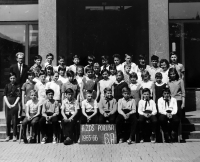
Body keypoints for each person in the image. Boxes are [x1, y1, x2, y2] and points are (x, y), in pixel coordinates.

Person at [3, 72, 20, 142]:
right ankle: (8, 135)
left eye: (14, 78)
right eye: (11, 78)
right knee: (8, 120)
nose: (12, 79)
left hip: (14, 102)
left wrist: (14, 104)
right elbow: (4, 95)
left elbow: (18, 96)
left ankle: (14, 135)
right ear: (9, 79)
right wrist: (8, 104)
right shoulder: (7, 85)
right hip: (8, 102)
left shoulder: (18, 86)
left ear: (15, 78)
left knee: (14, 120)